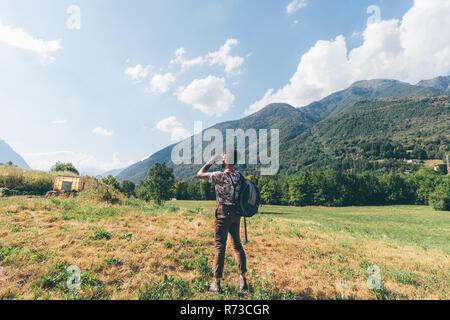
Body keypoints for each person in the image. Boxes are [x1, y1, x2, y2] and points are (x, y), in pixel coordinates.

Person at [197, 149, 248, 293]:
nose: (222, 156)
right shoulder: (239, 175)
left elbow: (199, 174)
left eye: (224, 155)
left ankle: (217, 283)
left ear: (226, 159)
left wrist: (211, 161)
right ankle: (243, 279)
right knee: (237, 245)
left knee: (220, 246)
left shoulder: (220, 175)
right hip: (236, 214)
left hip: (223, 214)